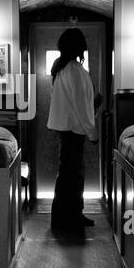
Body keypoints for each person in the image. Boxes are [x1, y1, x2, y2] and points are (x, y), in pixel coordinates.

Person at [47, 27, 99, 231]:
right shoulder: (74, 70)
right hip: (73, 130)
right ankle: (69, 217)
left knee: (68, 175)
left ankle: (67, 216)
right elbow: (80, 105)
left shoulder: (62, 68)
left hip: (67, 129)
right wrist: (91, 131)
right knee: (73, 175)